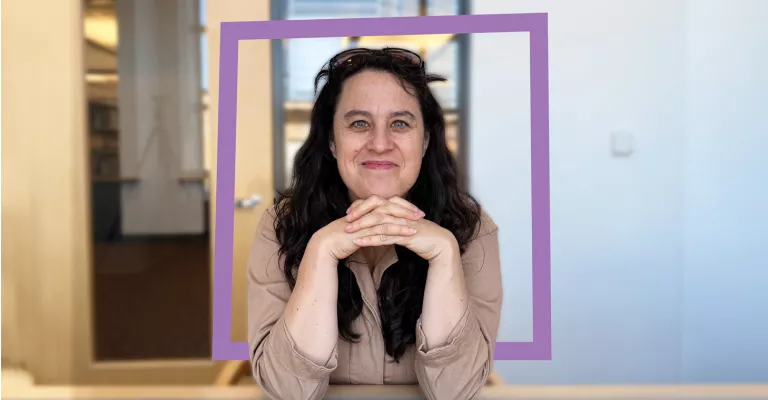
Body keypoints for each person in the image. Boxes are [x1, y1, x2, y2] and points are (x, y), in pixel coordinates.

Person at [246, 47, 503, 400]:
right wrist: (320, 254)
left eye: (400, 123)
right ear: (333, 142)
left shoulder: (471, 228)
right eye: (359, 123)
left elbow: (455, 392)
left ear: (425, 140)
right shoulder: (282, 225)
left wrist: (445, 257)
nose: (380, 144)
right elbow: (288, 392)